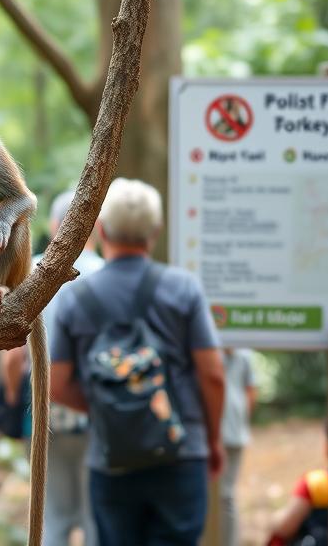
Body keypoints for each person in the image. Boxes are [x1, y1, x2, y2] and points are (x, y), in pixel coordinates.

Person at [49, 178, 225, 546]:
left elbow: (56, 383)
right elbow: (213, 375)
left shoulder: (74, 298)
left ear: (101, 230)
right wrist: (212, 439)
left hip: (111, 456)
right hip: (182, 450)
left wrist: (106, 406)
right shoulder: (183, 288)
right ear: (155, 232)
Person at [0, 189, 105, 546]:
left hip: (45, 413)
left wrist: (14, 399)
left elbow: (13, 355)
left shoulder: (29, 273)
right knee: (95, 514)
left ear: (53, 225)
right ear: (97, 229)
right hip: (97, 411)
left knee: (53, 515)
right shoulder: (107, 274)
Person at [220, 347, 257, 546]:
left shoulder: (243, 353)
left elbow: (251, 391)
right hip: (225, 431)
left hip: (230, 433)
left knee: (225, 496)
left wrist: (241, 424)